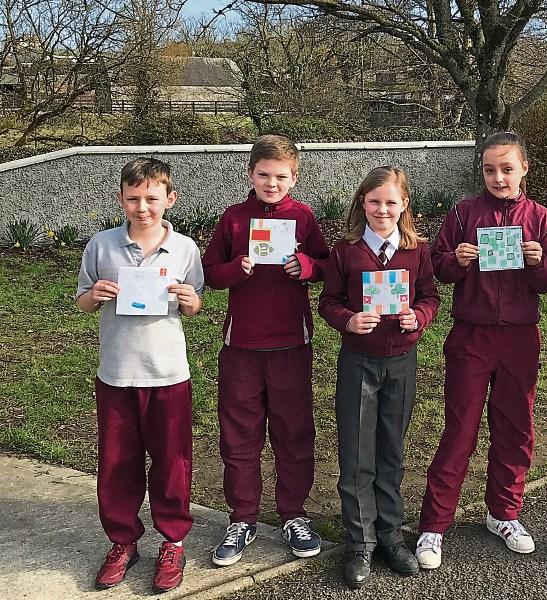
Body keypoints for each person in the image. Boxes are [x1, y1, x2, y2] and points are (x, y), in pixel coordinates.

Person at [415, 131, 547, 570]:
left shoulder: (540, 218)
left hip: (520, 337)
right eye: (489, 170)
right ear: (480, 171)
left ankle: (504, 512)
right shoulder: (464, 213)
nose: (498, 177)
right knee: (459, 428)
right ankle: (435, 522)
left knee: (516, 425)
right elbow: (437, 268)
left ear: (524, 169)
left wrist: (539, 262)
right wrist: (456, 260)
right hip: (472, 334)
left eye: (506, 168)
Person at [77, 158, 203, 593]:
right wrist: (93, 294)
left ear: (170, 200)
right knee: (116, 461)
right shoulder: (101, 245)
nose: (143, 207)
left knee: (172, 460)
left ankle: (173, 540)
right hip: (116, 372)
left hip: (167, 372)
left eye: (152, 198)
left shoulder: (185, 248)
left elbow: (195, 303)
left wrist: (190, 300)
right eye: (134, 199)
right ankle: (123, 540)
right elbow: (82, 301)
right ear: (121, 199)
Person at [202, 134, 329, 565]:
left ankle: (294, 513)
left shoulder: (304, 216)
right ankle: (243, 517)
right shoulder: (235, 219)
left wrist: (307, 267)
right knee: (239, 433)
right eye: (263, 175)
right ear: (250, 174)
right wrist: (236, 269)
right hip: (241, 345)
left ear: (294, 177)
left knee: (294, 431)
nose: (271, 183)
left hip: (292, 342)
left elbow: (329, 266)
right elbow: (209, 273)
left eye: (280, 176)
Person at [319, 166, 440, 589]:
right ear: (362, 204)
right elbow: (329, 301)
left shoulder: (417, 251)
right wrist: (348, 321)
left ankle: (390, 534)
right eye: (374, 202)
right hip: (359, 361)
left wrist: (418, 317)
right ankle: (360, 539)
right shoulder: (346, 251)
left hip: (402, 361)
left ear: (404, 204)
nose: (382, 210)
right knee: (356, 453)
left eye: (391, 202)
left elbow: (430, 296)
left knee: (392, 451)